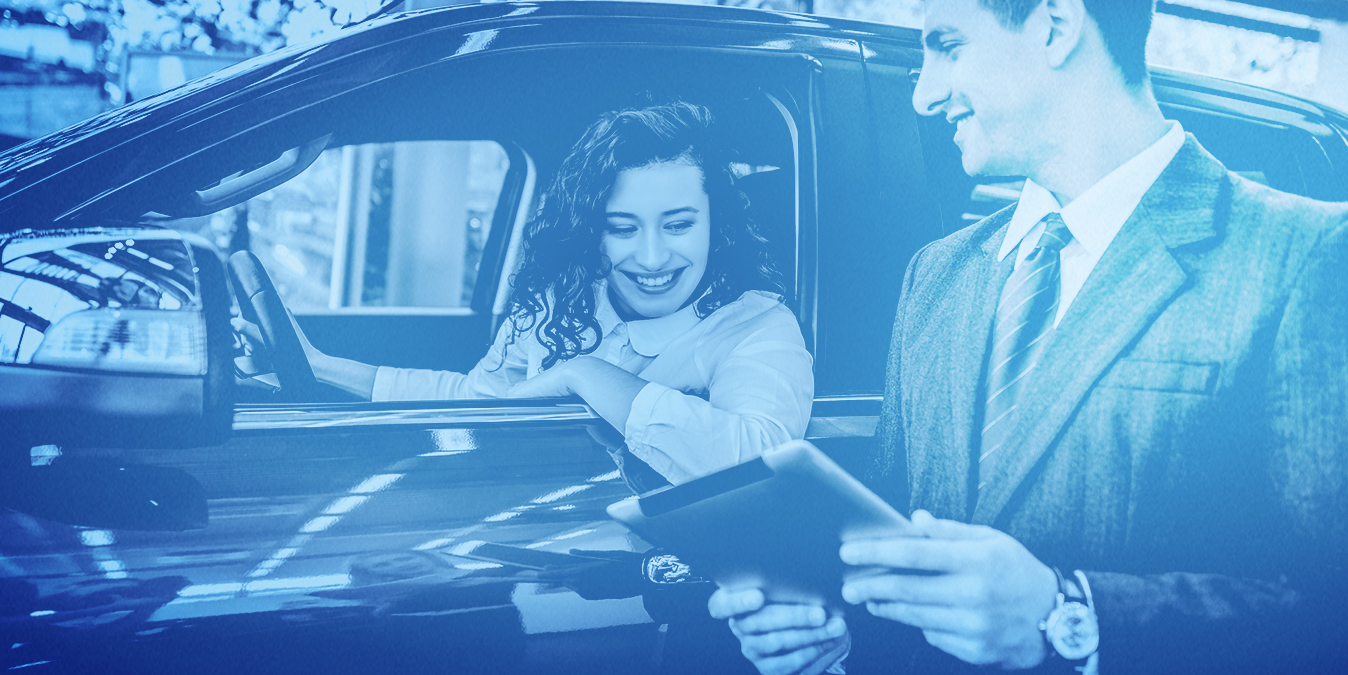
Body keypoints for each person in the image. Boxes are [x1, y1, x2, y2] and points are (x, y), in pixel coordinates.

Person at [709, 1, 1348, 673]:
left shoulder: (1307, 255)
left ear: (1055, 24)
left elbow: (1330, 611)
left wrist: (1069, 612)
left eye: (948, 45)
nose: (924, 95)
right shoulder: (936, 275)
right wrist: (833, 630)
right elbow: (895, 543)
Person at [267, 101, 814, 487]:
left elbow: (765, 459)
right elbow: (477, 403)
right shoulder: (561, 301)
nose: (650, 257)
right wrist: (319, 366)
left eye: (678, 225)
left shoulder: (757, 325)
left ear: (716, 225)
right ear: (592, 233)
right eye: (622, 228)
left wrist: (588, 374)